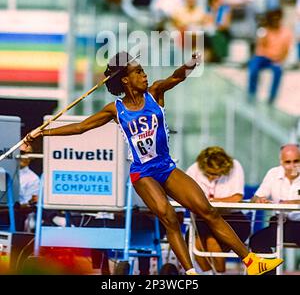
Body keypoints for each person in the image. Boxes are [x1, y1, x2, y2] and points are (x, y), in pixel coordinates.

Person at [25, 51, 283, 275]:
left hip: (165, 166)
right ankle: (191, 272)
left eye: (143, 71)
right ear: (125, 80)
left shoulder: (155, 92)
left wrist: (189, 65)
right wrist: (42, 133)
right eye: (138, 72)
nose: (144, 75)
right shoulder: (115, 109)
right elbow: (81, 127)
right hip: (142, 173)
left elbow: (177, 77)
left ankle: (251, 261)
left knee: (208, 210)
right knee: (169, 218)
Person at [186, 146, 251, 274]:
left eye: (216, 174)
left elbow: (237, 196)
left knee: (211, 241)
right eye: (208, 173)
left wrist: (213, 202)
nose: (212, 178)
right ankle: (209, 273)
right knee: (194, 243)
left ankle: (220, 273)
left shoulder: (235, 166)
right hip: (203, 218)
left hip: (232, 218)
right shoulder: (193, 169)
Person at [249, 144, 300, 259]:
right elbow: (255, 198)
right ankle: (270, 272)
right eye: (288, 162)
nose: (292, 166)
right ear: (281, 162)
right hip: (280, 223)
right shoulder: (273, 173)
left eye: (296, 161)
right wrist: (259, 200)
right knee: (256, 241)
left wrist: (292, 202)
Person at [248, 8, 293, 104]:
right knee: (253, 67)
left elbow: (285, 51)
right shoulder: (264, 30)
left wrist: (279, 60)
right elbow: (260, 47)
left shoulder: (286, 32)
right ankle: (251, 96)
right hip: (263, 57)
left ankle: (271, 99)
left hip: (276, 59)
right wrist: (263, 30)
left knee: (278, 71)